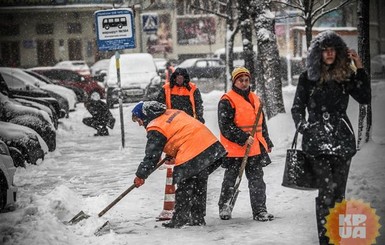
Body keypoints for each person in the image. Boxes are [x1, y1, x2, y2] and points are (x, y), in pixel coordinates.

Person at [291, 30, 371, 245]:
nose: (328, 54)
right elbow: (297, 108)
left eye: (332, 49)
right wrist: (304, 127)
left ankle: (336, 238)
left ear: (338, 51)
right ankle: (325, 240)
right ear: (318, 53)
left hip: (342, 141)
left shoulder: (345, 76)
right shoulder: (307, 78)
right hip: (316, 142)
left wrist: (359, 67)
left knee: (338, 195)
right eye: (324, 50)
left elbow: (364, 97)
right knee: (326, 193)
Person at [131, 101, 227, 228]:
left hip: (192, 150)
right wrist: (172, 151)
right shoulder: (171, 112)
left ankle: (179, 219)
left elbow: (151, 156)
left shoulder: (156, 126)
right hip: (210, 146)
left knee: (185, 185)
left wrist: (141, 175)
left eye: (139, 120)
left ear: (144, 116)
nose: (140, 124)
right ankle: (197, 217)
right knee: (199, 183)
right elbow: (180, 132)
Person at [217, 67, 274, 222]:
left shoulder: (255, 98)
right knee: (231, 180)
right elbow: (225, 126)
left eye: (246, 80)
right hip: (235, 150)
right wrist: (242, 138)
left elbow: (261, 124)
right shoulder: (227, 100)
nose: (244, 83)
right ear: (234, 81)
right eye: (240, 80)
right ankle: (225, 206)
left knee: (257, 182)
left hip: (254, 149)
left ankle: (260, 210)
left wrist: (266, 140)